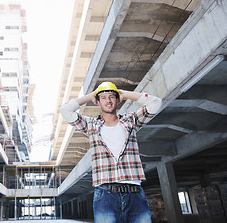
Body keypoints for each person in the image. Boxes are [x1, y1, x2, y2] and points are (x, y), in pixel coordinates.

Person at [59, 82, 162, 223]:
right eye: (103, 97)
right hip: (105, 195)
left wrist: (124, 93)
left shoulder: (130, 121)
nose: (108, 101)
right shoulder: (91, 126)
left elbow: (155, 103)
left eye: (112, 97)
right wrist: (91, 95)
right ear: (98, 102)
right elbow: (65, 110)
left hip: (135, 193)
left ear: (117, 100)